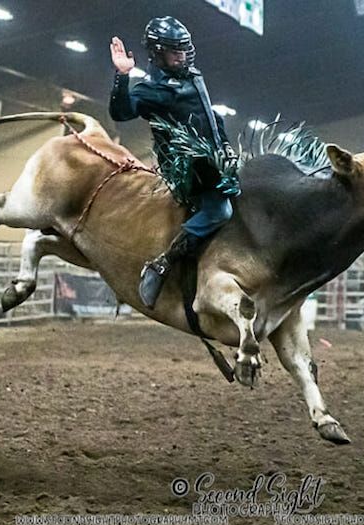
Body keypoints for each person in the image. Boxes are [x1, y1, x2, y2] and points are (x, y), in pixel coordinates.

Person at [109, 16, 239, 309]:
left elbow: (212, 117)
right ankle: (163, 264)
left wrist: (226, 146)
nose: (182, 55)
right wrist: (122, 75)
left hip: (215, 160)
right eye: (174, 50)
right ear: (157, 53)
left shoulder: (193, 76)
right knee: (221, 210)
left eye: (183, 49)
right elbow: (121, 112)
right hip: (187, 169)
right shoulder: (151, 90)